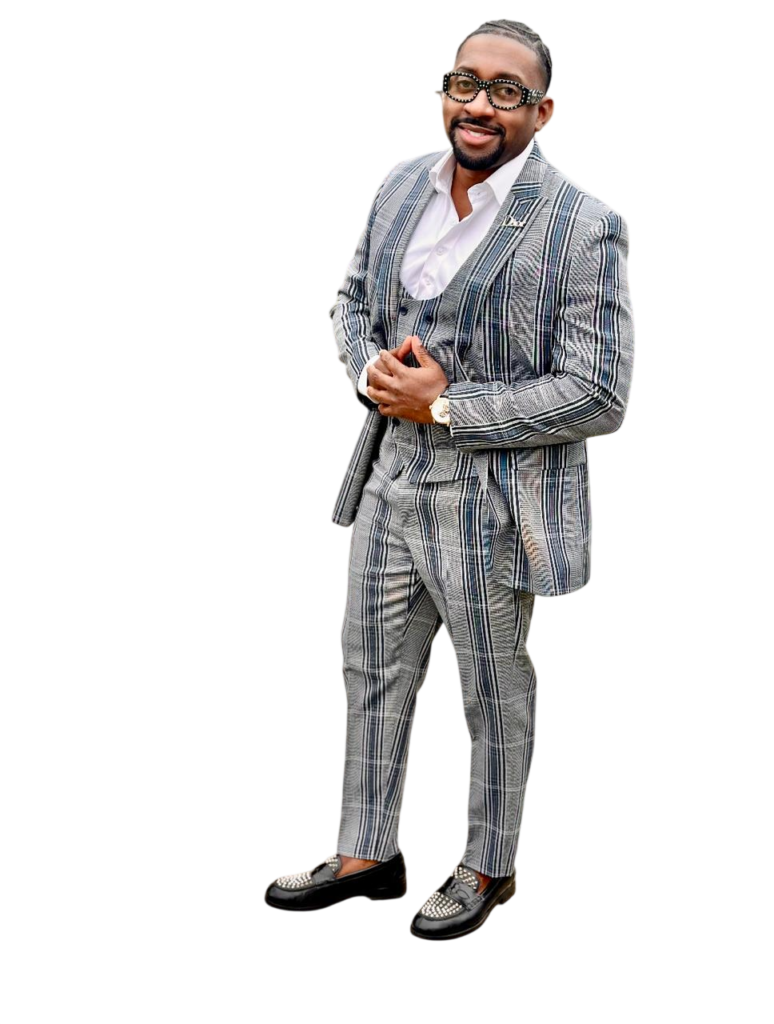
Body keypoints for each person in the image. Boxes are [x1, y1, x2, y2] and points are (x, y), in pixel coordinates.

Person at [264, 17, 636, 938]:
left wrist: (446, 406)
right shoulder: (400, 182)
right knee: (369, 666)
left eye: (507, 91)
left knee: (492, 688)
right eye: (465, 83)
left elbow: (601, 392)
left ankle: (488, 865)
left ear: (543, 111)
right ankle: (366, 852)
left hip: (492, 503)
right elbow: (349, 298)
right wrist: (370, 373)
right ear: (443, 93)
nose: (479, 104)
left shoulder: (585, 225)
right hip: (388, 478)